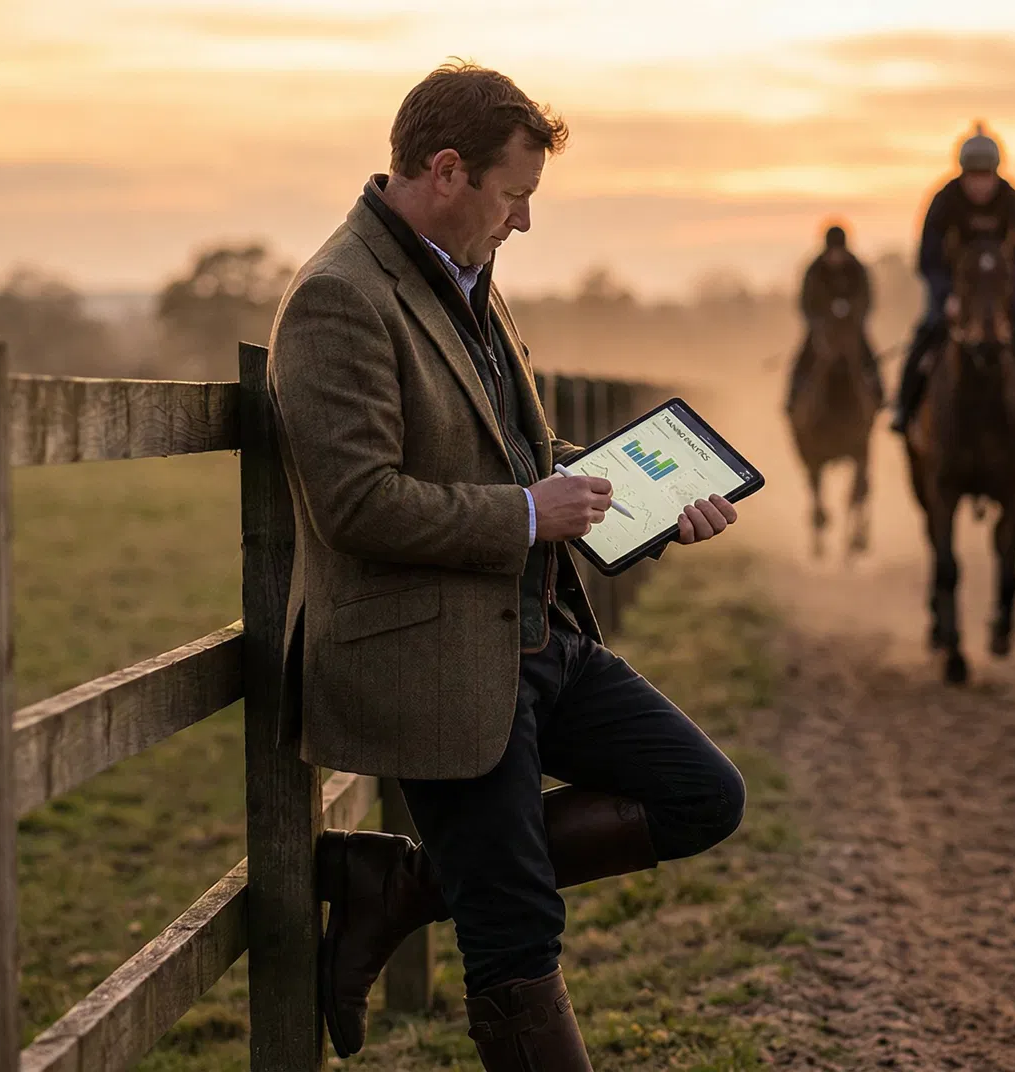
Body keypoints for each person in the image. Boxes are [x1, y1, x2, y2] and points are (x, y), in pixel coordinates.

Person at [266, 63, 746, 1070]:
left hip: (537, 636)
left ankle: (400, 886)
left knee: (704, 793)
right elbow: (356, 504)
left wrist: (645, 503)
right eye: (515, 195)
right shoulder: (337, 298)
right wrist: (530, 513)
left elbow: (513, 459)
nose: (523, 222)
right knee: (517, 929)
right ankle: (443, 886)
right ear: (448, 170)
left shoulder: (467, 277)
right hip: (431, 655)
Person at [891, 123, 1015, 433]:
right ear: (963, 173)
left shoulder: (1013, 200)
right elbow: (927, 257)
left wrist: (1008, 293)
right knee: (926, 333)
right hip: (952, 292)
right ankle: (904, 409)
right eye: (975, 177)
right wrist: (947, 297)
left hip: (1001, 291)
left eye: (986, 177)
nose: (980, 185)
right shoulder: (944, 199)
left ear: (996, 173)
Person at [784, 223, 883, 412]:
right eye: (833, 252)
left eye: (840, 251)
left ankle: (878, 396)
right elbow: (805, 304)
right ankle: (793, 397)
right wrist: (822, 321)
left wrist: (852, 313)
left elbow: (866, 300)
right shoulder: (814, 270)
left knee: (868, 358)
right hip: (821, 331)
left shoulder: (857, 269)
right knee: (802, 359)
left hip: (852, 329)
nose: (836, 256)